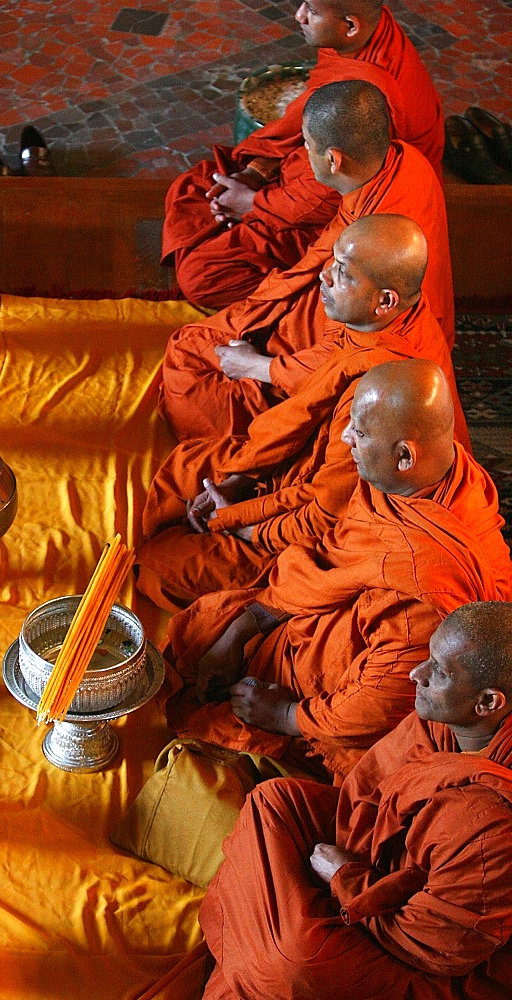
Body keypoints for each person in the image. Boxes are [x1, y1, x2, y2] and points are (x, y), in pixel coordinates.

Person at [162, 360, 512, 783]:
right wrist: (247, 623)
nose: (346, 437)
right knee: (208, 625)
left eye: (359, 434)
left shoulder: (424, 590)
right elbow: (336, 551)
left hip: (355, 690)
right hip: (336, 608)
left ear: (405, 456)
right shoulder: (430, 475)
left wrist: (287, 715)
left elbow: (381, 701)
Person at [138, 217, 469, 613]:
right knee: (189, 467)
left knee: (158, 566)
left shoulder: (378, 398)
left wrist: (239, 523)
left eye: (342, 273)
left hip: (326, 525)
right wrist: (242, 480)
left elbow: (325, 515)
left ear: (385, 301)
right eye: (332, 261)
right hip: (301, 474)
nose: (324, 276)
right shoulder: (375, 325)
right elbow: (303, 421)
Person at [200, 602, 512, 1000]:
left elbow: (437, 948)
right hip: (375, 865)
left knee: (297, 961)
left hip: (423, 962)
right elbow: (365, 797)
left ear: (488, 703)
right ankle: (263, 941)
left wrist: (346, 878)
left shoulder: (493, 825)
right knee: (274, 800)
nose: (418, 674)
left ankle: (256, 949)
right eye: (429, 656)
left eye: (440, 671)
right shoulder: (445, 718)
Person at [160, 81, 455, 444]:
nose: (302, 152)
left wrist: (260, 366)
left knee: (191, 378)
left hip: (375, 358)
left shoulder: (379, 240)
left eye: (306, 145)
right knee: (198, 341)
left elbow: (348, 355)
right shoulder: (403, 162)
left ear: (334, 160)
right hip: (350, 309)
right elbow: (322, 258)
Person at [163, 1, 445, 310]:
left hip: (346, 213)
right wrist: (257, 171)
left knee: (201, 275)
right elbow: (306, 128)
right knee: (192, 187)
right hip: (310, 176)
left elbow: (326, 197)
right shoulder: (357, 41)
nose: (299, 15)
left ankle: (307, 309)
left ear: (350, 26)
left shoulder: (374, 96)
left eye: (311, 9)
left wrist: (251, 204)